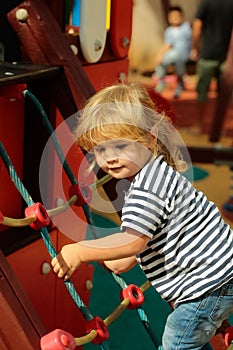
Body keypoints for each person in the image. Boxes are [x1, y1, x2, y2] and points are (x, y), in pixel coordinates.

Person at [51, 83, 233, 350]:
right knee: (189, 339)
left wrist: (80, 251)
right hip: (220, 273)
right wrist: (118, 259)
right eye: (101, 150)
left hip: (209, 282)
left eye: (120, 146)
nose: (110, 158)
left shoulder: (146, 189)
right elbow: (146, 242)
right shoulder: (158, 173)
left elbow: (134, 241)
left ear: (150, 137)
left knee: (176, 339)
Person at [189, 0, 233, 134]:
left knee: (202, 91)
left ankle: (198, 125)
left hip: (207, 54)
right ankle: (222, 127)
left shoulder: (206, 3)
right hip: (227, 56)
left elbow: (197, 26)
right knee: (225, 94)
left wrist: (195, 48)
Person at [154, 5, 192, 98]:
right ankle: (161, 82)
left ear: (182, 16)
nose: (175, 18)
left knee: (178, 57)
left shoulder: (186, 27)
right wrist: (160, 55)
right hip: (174, 53)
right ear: (169, 18)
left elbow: (193, 37)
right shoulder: (169, 31)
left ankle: (180, 83)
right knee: (161, 60)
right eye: (172, 16)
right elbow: (168, 45)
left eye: (177, 16)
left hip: (185, 53)